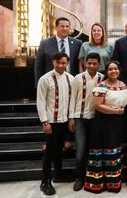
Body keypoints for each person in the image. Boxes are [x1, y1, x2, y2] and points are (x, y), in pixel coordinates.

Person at [84, 61, 127, 193]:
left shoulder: (123, 85)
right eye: (110, 69)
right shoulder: (101, 86)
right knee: (107, 149)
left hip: (120, 123)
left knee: (117, 149)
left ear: (119, 70)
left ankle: (115, 181)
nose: (113, 71)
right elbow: (98, 105)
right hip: (104, 123)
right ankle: (101, 183)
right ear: (106, 71)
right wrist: (114, 111)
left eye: (116, 69)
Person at [36, 52, 74, 196]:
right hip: (51, 121)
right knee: (49, 151)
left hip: (65, 120)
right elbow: (40, 101)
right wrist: (44, 121)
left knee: (59, 150)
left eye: (63, 63)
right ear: (53, 62)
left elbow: (71, 101)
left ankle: (58, 174)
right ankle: (45, 181)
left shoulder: (70, 78)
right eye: (58, 62)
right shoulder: (45, 79)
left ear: (67, 63)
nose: (60, 65)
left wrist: (71, 119)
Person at [68, 53, 103, 191]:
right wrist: (71, 117)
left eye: (95, 63)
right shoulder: (78, 78)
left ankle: (92, 177)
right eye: (89, 63)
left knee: (94, 150)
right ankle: (79, 178)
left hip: (96, 119)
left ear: (99, 64)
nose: (92, 66)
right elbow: (73, 98)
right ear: (85, 63)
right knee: (80, 151)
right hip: (80, 118)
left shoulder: (102, 78)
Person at [35, 17, 82, 85]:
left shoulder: (77, 43)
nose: (65, 29)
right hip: (51, 83)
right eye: (62, 26)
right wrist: (38, 83)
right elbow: (39, 66)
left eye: (67, 26)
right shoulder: (45, 43)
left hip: (71, 82)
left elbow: (80, 64)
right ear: (56, 27)